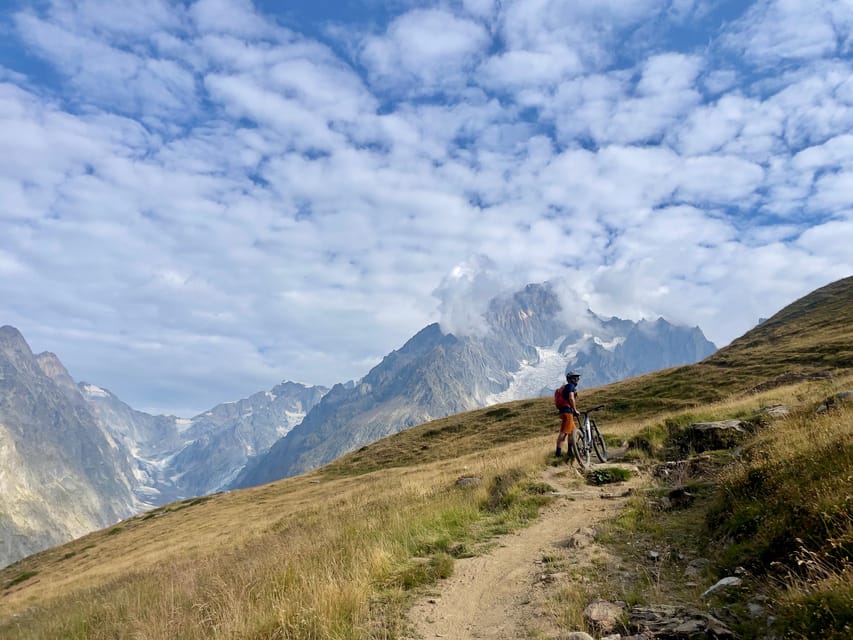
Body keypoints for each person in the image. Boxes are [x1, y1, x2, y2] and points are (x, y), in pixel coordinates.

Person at [554, 372, 581, 457]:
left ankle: (570, 451)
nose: (577, 380)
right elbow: (571, 398)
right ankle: (558, 454)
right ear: (570, 379)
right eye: (575, 378)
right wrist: (575, 410)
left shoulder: (564, 387)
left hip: (563, 411)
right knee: (564, 432)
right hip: (567, 411)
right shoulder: (570, 386)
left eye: (578, 378)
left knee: (572, 432)